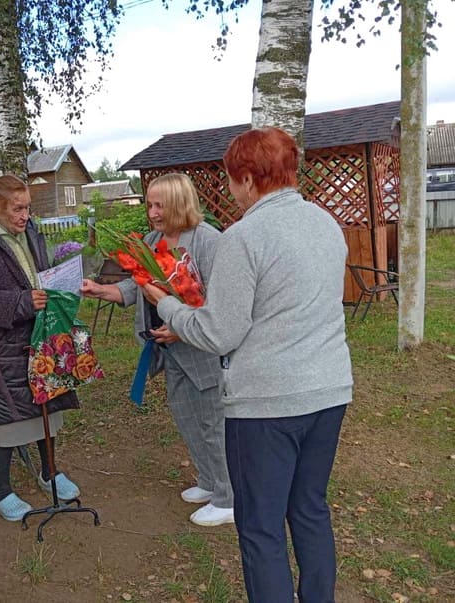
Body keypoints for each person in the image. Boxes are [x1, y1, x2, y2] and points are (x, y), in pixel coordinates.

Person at [141, 127, 353, 602]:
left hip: (267, 405)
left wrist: (166, 305)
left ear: (250, 180)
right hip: (329, 391)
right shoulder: (325, 223)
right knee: (310, 509)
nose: (232, 192)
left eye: (233, 181)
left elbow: (218, 333)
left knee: (260, 527)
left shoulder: (244, 237)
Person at [80, 173, 234, 527]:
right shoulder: (151, 241)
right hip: (167, 349)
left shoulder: (208, 241)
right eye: (149, 204)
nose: (151, 212)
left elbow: (220, 299)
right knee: (186, 417)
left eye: (158, 205)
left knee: (213, 422)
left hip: (200, 347)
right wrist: (99, 291)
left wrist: (182, 328)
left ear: (179, 203)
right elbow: (135, 288)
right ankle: (209, 481)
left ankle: (228, 498)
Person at [0, 174, 81, 522]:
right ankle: (2, 490)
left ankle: (49, 472)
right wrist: (23, 302)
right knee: (6, 417)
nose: (25, 216)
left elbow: (39, 274)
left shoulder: (29, 234)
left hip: (37, 336)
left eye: (28, 208)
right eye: (18, 208)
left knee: (47, 405)